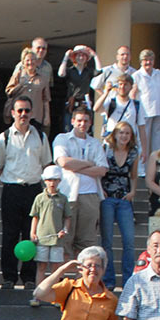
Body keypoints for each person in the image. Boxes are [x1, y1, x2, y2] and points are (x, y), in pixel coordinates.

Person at [0, 95, 53, 289]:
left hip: (34, 191)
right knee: (9, 235)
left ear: (31, 113)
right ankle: (9, 277)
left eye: (27, 110)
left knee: (32, 235)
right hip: (11, 190)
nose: (23, 114)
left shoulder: (41, 136)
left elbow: (46, 164)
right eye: (20, 111)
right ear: (13, 113)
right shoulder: (4, 138)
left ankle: (28, 278)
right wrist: (13, 180)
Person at [53, 106, 106, 255]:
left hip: (90, 196)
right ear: (73, 121)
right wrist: (89, 163)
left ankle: (81, 277)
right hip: (68, 194)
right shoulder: (62, 139)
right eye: (79, 120)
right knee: (65, 238)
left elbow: (102, 170)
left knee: (87, 242)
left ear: (90, 123)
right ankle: (63, 276)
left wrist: (75, 166)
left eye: (86, 121)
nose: (82, 124)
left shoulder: (95, 143)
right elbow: (63, 162)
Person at [99, 120, 139, 287]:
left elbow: (134, 175)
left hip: (124, 199)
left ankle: (128, 279)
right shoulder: (106, 149)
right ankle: (109, 280)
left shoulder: (133, 152)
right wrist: (101, 189)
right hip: (107, 198)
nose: (124, 136)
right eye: (121, 132)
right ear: (115, 134)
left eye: (127, 133)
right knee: (107, 241)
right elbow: (99, 171)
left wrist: (133, 192)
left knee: (129, 241)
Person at [28, 164, 72, 298]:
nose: (52, 183)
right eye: (49, 180)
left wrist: (65, 229)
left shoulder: (63, 198)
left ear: (59, 181)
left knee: (56, 268)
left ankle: (55, 295)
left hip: (57, 239)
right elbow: (35, 216)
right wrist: (32, 233)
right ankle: (38, 294)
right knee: (41, 266)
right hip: (42, 238)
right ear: (44, 180)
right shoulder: (39, 198)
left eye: (55, 180)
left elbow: (67, 217)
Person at [132, 48, 160, 168]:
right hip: (144, 112)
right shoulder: (136, 75)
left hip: (158, 110)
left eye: (150, 60)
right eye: (145, 60)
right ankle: (142, 169)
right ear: (141, 62)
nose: (148, 63)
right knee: (143, 142)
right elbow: (132, 94)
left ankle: (156, 166)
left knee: (158, 141)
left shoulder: (159, 74)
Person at [6, 47, 50, 131]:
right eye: (27, 60)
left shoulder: (42, 78)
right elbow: (9, 92)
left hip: (36, 116)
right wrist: (20, 85)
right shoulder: (18, 75)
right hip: (20, 115)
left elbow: (46, 99)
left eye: (33, 60)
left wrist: (46, 117)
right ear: (23, 62)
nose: (30, 62)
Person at [58, 44, 99, 134]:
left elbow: (99, 71)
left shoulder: (89, 71)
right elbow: (61, 74)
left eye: (83, 55)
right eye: (78, 55)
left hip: (84, 102)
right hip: (71, 103)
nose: (81, 57)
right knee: (68, 128)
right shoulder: (70, 70)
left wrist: (95, 56)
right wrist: (66, 57)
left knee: (86, 128)